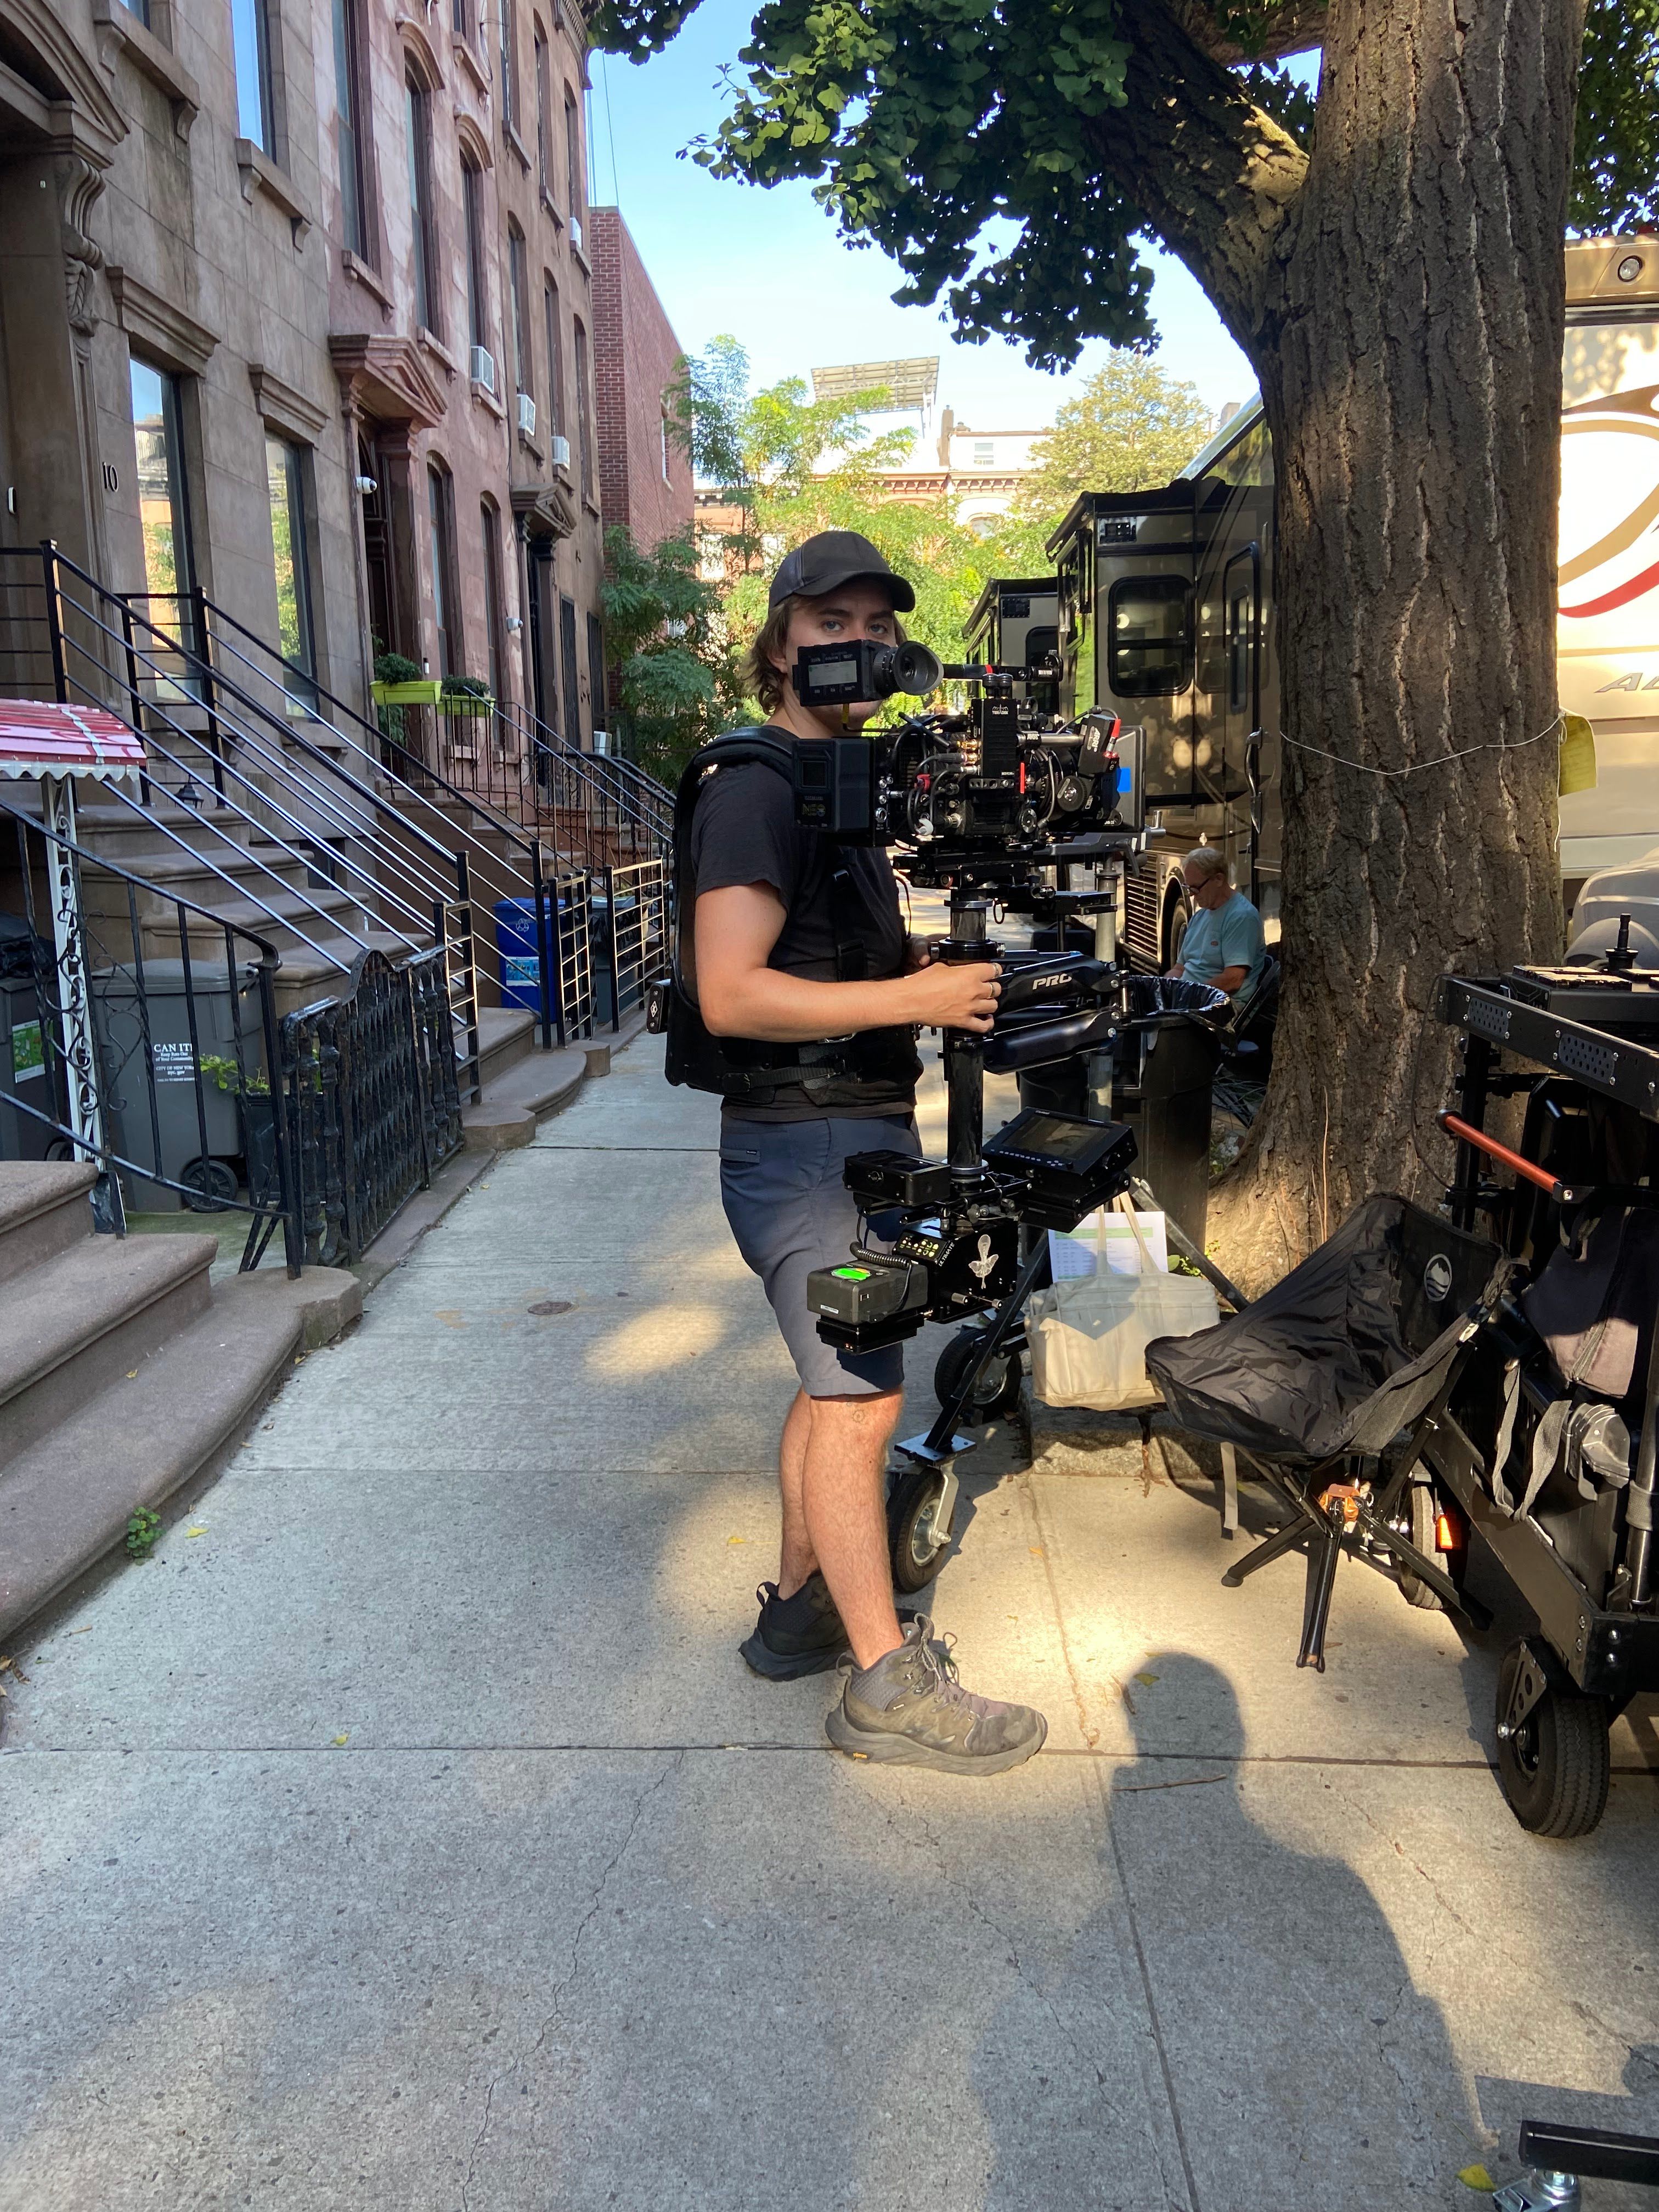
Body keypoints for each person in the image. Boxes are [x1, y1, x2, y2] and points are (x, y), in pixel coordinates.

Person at [688, 529, 1047, 1776]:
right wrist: (915, 1000)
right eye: (830, 623)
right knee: (862, 1398)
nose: (858, 644)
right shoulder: (757, 786)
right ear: (780, 643)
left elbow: (824, 955)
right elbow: (731, 991)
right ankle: (884, 1685)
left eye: (876, 627)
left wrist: (932, 971)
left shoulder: (834, 783)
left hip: (841, 1135)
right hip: (804, 1150)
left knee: (829, 1382)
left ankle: (798, 1614)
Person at [1169, 847, 1267, 1001]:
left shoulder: (1241, 917)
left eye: (1196, 888)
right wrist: (1165, 987)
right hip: (1191, 997)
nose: (1192, 895)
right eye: (1188, 888)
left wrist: (1191, 995)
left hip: (1220, 1003)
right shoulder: (1200, 916)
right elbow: (1179, 968)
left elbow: (1233, 979)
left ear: (1219, 880)